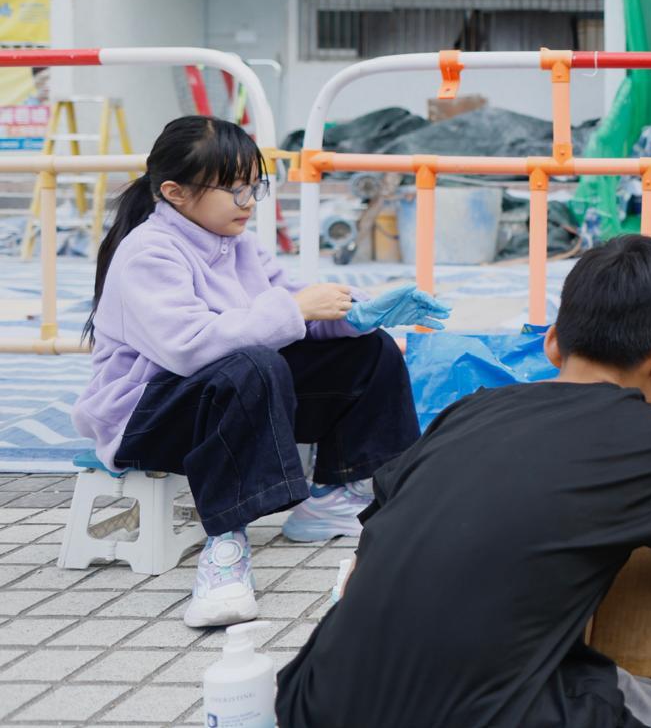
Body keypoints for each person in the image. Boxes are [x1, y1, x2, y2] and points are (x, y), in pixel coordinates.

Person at [276, 235, 651, 728]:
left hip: (313, 702)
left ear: (553, 343)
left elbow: (365, 559)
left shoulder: (470, 410)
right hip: (481, 714)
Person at [74, 116, 442, 628]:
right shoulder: (148, 252)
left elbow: (287, 314)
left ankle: (337, 495)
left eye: (254, 186)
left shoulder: (238, 243)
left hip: (222, 399)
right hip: (145, 420)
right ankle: (225, 546)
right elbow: (189, 347)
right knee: (251, 364)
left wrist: (355, 314)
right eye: (233, 189)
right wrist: (297, 308)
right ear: (175, 192)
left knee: (367, 349)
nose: (247, 202)